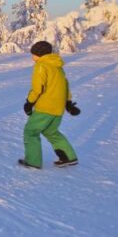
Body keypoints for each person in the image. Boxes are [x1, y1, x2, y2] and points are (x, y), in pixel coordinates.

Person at [19, 41, 80, 169]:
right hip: (58, 109)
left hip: (45, 108)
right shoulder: (58, 66)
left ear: (39, 54)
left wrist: (29, 103)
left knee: (31, 132)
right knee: (51, 132)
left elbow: (38, 88)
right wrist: (68, 103)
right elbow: (65, 86)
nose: (32, 57)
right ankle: (69, 157)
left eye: (33, 54)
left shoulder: (41, 66)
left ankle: (33, 162)